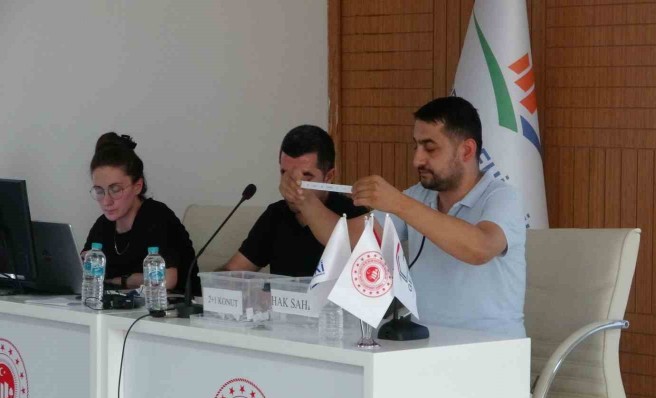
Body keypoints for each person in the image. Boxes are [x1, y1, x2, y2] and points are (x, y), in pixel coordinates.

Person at [280, 97, 526, 337]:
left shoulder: (503, 197)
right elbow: (346, 240)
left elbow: (480, 249)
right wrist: (304, 199)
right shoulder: (417, 197)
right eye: (415, 146)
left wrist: (399, 203)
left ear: (466, 150)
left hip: (490, 347)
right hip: (423, 341)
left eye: (430, 148)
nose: (417, 159)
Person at [221, 125, 366, 276]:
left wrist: (305, 200)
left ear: (328, 177)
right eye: (285, 174)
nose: (292, 183)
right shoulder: (275, 215)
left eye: (306, 176)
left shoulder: (355, 215)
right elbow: (233, 271)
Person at [83, 132, 197, 291]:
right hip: (121, 305)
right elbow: (85, 273)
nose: (106, 201)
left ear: (137, 186)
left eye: (115, 190)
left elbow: (167, 279)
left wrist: (117, 280)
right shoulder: (103, 224)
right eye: (99, 191)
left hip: (173, 304)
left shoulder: (157, 216)